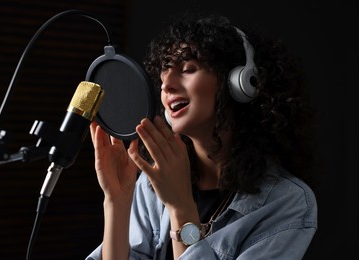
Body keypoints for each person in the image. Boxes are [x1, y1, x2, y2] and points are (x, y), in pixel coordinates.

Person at [86, 11, 317, 260]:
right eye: (164, 71)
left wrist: (180, 207)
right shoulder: (150, 181)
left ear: (239, 85)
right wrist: (117, 200)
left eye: (188, 69)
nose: (166, 84)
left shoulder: (287, 203)